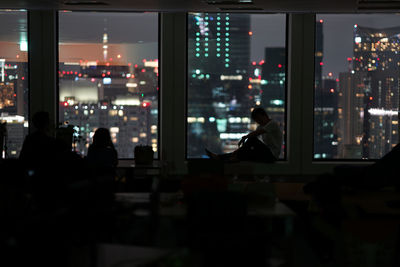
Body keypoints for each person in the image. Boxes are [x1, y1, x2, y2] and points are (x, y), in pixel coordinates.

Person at [206, 107, 282, 163]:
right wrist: (239, 150)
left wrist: (245, 137)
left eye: (259, 119)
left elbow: (255, 135)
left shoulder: (272, 124)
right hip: (266, 154)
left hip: (272, 156)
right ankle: (222, 157)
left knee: (252, 140)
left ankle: (226, 157)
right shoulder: (261, 126)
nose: (258, 121)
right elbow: (251, 141)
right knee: (247, 150)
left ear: (264, 115)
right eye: (257, 120)